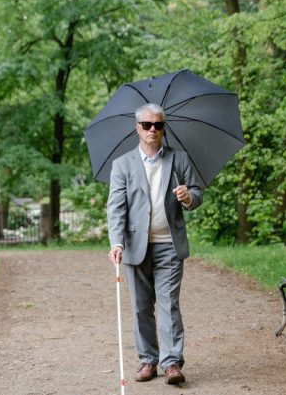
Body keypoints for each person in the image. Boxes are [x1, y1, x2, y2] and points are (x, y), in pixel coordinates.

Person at [107, 103, 203, 385]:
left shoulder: (180, 159)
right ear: (137, 127)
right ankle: (148, 360)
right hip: (136, 247)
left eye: (158, 125)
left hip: (169, 246)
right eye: (147, 125)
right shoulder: (122, 165)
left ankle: (172, 362)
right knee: (140, 307)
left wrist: (188, 197)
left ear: (163, 128)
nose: (153, 130)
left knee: (168, 305)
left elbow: (197, 194)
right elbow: (116, 209)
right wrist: (116, 242)